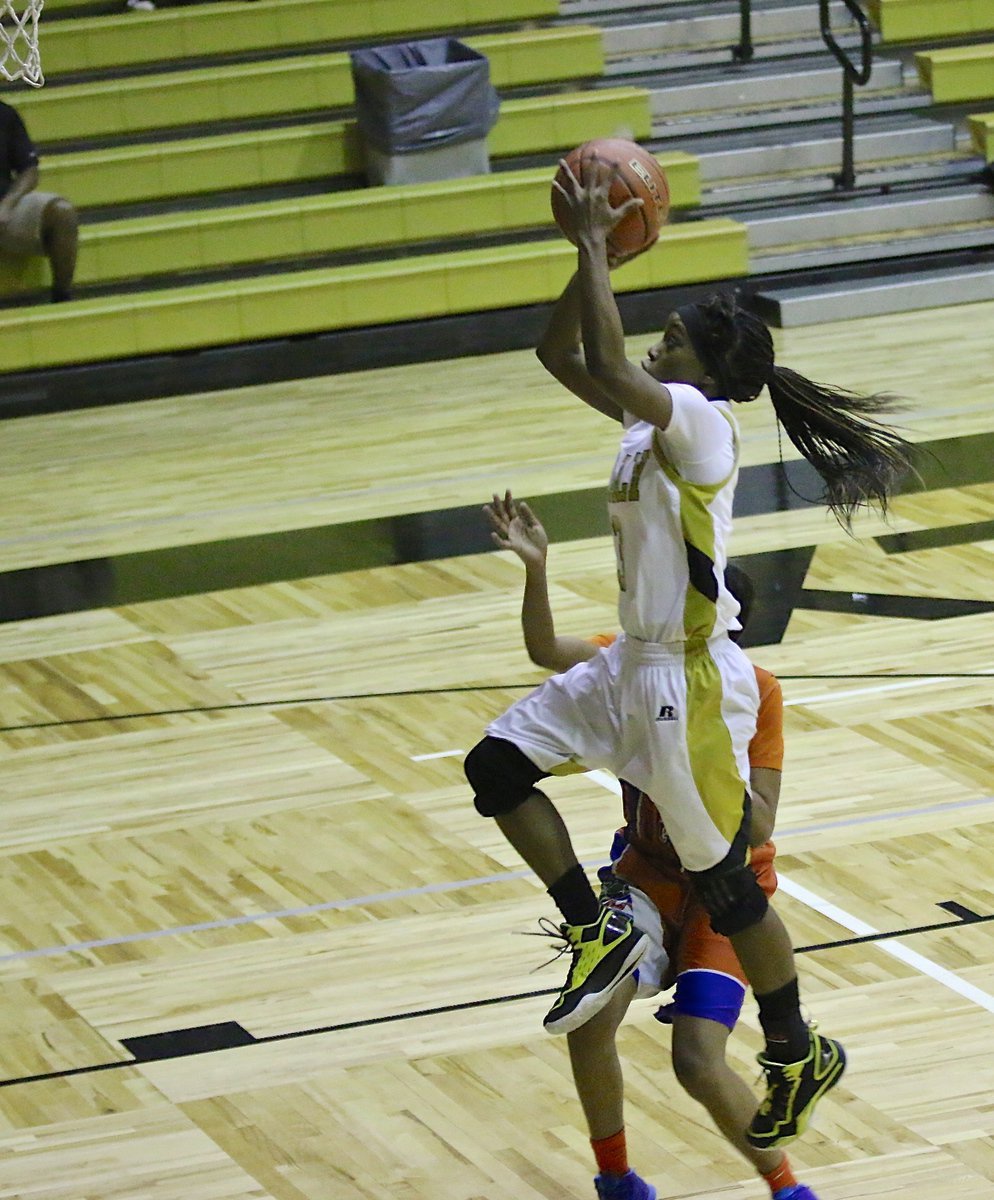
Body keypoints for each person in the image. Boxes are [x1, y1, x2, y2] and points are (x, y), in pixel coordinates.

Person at [463, 156, 917, 1150]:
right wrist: (577, 258)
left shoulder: (702, 425)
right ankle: (591, 923)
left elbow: (615, 360)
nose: (656, 344)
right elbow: (559, 354)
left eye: (674, 338)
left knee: (722, 879)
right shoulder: (645, 422)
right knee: (495, 765)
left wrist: (598, 248)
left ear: (707, 370)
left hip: (684, 676)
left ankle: (796, 1044)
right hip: (628, 660)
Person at [485, 491, 818, 1200]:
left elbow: (759, 824)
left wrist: (688, 755)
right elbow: (547, 651)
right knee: (588, 1016)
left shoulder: (754, 692)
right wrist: (536, 568)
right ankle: (617, 1181)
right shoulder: (636, 660)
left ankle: (788, 1188)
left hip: (728, 898)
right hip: (646, 878)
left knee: (697, 1061)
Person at [0, 99, 78, 304]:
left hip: (4, 209)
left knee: (62, 213)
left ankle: (62, 298)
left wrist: (7, 204)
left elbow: (29, 170)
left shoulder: (5, 114)